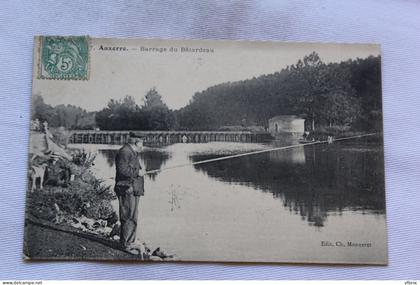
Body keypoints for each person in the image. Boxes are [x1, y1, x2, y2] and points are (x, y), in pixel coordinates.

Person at [114, 134, 145, 254]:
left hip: (133, 189)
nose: (143, 146)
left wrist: (138, 172)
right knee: (127, 217)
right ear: (136, 143)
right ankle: (126, 245)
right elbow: (122, 170)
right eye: (141, 143)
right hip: (126, 189)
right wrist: (138, 173)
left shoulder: (130, 151)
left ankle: (130, 242)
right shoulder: (125, 152)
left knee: (133, 217)